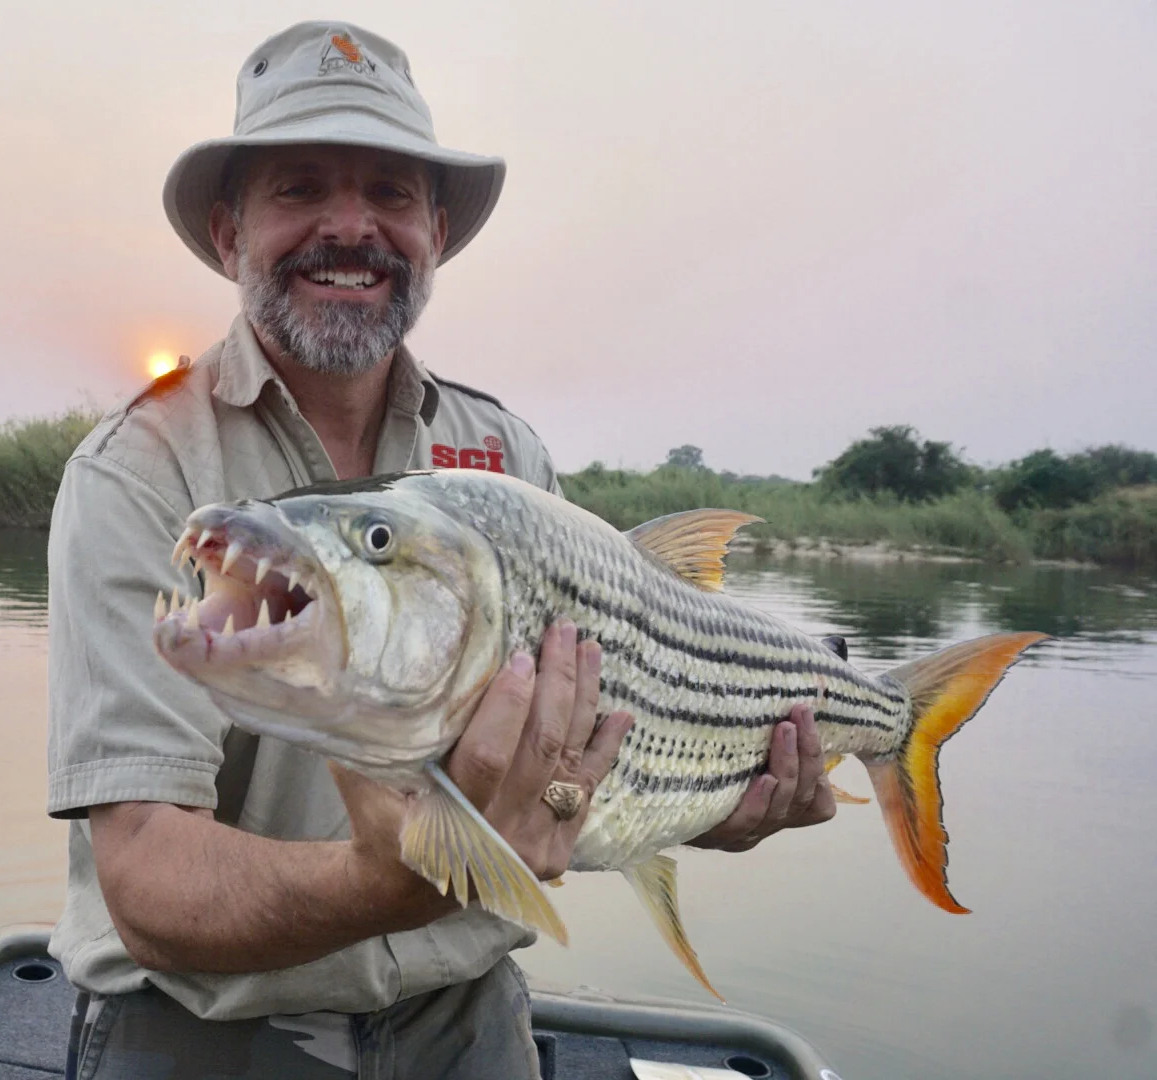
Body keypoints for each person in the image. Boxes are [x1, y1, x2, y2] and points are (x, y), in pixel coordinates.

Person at [47, 21, 836, 1079]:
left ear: (435, 231)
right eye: (299, 189)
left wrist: (709, 801)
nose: (348, 226)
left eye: (389, 193)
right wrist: (390, 879)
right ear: (228, 234)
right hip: (203, 1029)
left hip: (464, 1016)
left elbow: (585, 767)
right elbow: (142, 870)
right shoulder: (136, 468)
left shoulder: (507, 456)